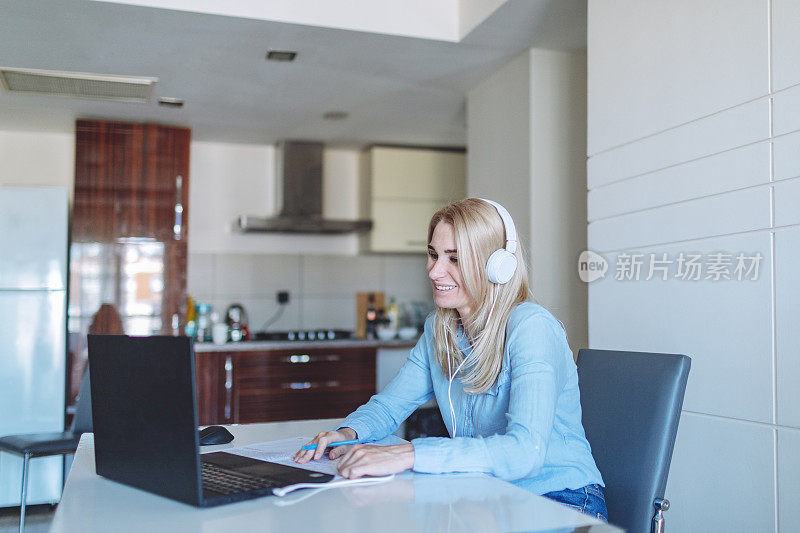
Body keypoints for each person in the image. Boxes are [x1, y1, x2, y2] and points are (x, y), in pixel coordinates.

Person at [293, 198, 607, 521]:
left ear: (496, 265)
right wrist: (348, 433)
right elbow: (389, 406)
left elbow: (526, 452)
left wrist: (410, 453)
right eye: (433, 254)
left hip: (560, 500)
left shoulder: (531, 328)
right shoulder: (438, 329)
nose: (434, 270)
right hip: (488, 497)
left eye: (454, 259)